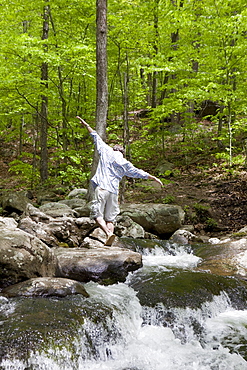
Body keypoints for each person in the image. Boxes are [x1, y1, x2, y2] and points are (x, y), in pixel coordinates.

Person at [76, 116, 163, 246]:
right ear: (122, 152)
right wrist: (154, 178)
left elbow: (95, 136)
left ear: (114, 149)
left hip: (102, 189)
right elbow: (139, 173)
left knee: (97, 215)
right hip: (113, 193)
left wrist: (86, 124)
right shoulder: (125, 163)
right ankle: (109, 241)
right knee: (110, 218)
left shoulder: (106, 150)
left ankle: (108, 234)